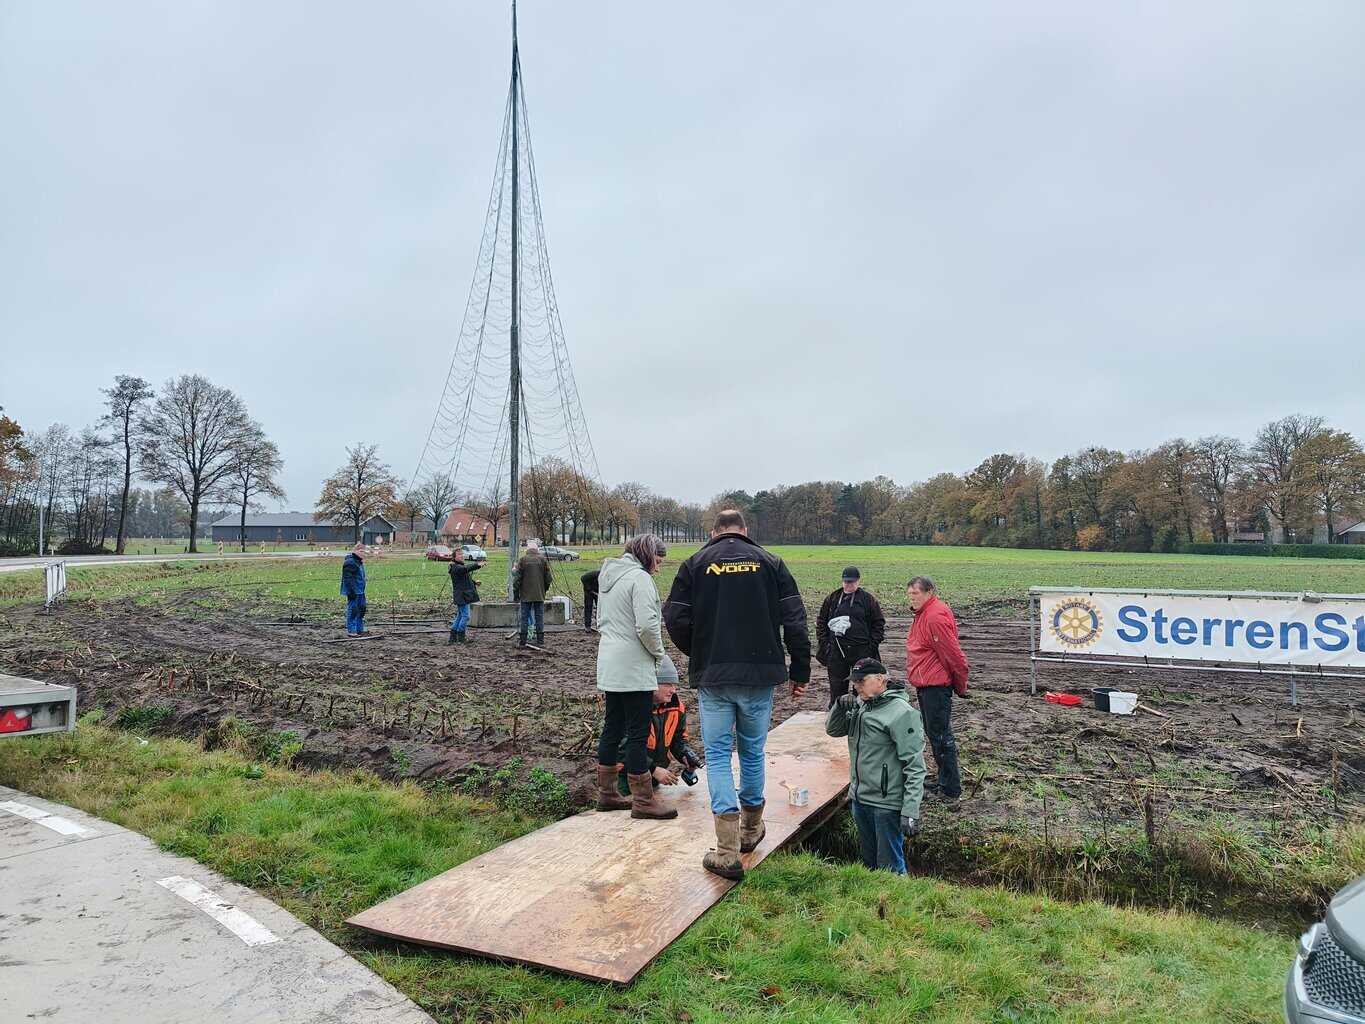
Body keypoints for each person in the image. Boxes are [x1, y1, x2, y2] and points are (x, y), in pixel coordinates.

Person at [664, 509, 810, 880]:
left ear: (714, 532)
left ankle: (726, 851)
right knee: (751, 750)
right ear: (745, 531)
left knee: (716, 753)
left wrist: (700, 652)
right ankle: (750, 830)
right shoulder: (771, 563)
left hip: (714, 676)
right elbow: (795, 619)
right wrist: (800, 670)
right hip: (760, 675)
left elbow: (676, 618)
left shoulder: (695, 564)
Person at [594, 533, 676, 819]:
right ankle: (643, 800)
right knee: (638, 733)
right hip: (634, 666)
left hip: (609, 662)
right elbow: (646, 626)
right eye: (658, 561)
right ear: (647, 555)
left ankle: (607, 794)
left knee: (612, 727)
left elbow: (603, 620)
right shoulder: (640, 579)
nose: (658, 567)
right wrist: (658, 653)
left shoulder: (608, 578)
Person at [825, 657, 925, 874]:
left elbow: (915, 765)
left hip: (886, 804)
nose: (856, 685)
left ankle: (899, 904)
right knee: (869, 864)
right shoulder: (861, 705)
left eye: (862, 680)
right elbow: (833, 731)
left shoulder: (902, 713)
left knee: (890, 866)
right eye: (854, 681)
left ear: (881, 679)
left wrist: (910, 810)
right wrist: (839, 708)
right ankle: (875, 906)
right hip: (860, 799)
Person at [905, 575, 969, 803]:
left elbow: (953, 655)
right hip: (926, 683)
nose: (912, 598)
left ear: (929, 592)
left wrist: (960, 684)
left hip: (936, 686)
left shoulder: (934, 617)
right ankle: (944, 780)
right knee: (935, 734)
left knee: (941, 737)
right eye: (910, 594)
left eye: (916, 594)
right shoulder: (924, 613)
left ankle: (951, 789)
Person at [612, 656, 701, 797]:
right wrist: (653, 769)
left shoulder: (677, 708)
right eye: (667, 684)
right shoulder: (633, 708)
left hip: (654, 776)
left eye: (674, 685)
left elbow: (677, 740)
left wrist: (684, 755)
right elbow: (622, 748)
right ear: (652, 683)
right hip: (627, 778)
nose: (673, 690)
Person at [815, 566, 886, 708]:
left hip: (862, 652)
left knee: (862, 689)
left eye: (852, 582)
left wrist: (871, 647)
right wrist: (826, 645)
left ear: (858, 581)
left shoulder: (868, 600)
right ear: (842, 581)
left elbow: (879, 623)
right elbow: (821, 622)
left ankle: (860, 717)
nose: (849, 585)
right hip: (836, 651)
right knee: (837, 690)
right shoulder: (832, 598)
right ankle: (837, 717)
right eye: (846, 582)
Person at [514, 539, 554, 648]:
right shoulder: (543, 560)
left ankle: (523, 641)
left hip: (525, 595)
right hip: (539, 594)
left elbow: (517, 579)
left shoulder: (522, 560)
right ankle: (540, 640)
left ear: (527, 549)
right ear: (537, 549)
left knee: (524, 617)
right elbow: (548, 578)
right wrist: (544, 590)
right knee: (539, 617)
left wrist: (516, 593)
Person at [447, 548, 481, 645]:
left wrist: (474, 583)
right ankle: (461, 637)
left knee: (460, 616)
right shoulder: (455, 567)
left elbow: (464, 578)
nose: (462, 556)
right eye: (459, 555)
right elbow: (465, 569)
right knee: (466, 616)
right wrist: (477, 565)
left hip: (462, 595)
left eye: (462, 554)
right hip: (461, 596)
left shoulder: (458, 566)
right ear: (454, 557)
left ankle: (453, 637)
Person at [340, 544, 366, 636]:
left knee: (361, 609)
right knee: (353, 610)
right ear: (356, 551)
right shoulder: (350, 562)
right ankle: (352, 630)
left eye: (364, 551)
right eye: (361, 551)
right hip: (353, 591)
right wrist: (351, 591)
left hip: (360, 591)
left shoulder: (359, 562)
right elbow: (348, 578)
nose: (363, 553)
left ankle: (359, 629)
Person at [581, 568, 600, 632]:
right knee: (588, 607)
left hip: (597, 592)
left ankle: (599, 625)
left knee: (600, 609)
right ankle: (587, 626)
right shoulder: (595, 574)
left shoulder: (607, 578)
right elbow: (583, 578)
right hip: (588, 591)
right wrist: (589, 589)